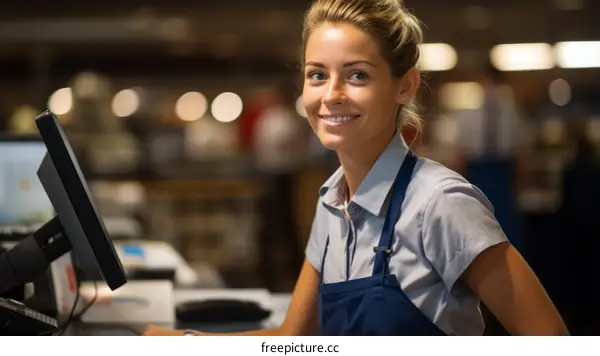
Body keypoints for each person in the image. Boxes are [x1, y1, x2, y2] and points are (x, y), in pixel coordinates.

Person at [143, 0, 568, 336]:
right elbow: (294, 340)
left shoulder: (440, 204)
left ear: (406, 85)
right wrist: (182, 342)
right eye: (316, 75)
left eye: (358, 76)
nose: (331, 95)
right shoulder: (331, 202)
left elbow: (549, 339)